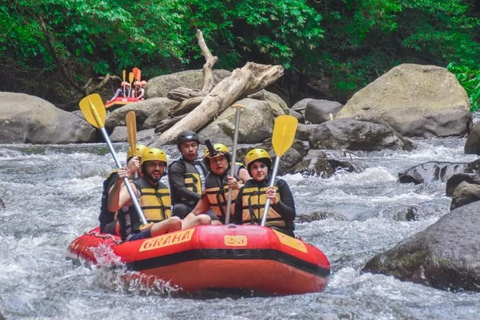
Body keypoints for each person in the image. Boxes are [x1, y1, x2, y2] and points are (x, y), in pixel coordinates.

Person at [108, 147, 210, 241]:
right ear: (143, 167)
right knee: (174, 221)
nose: (157, 168)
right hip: (137, 235)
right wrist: (118, 183)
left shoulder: (163, 188)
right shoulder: (133, 187)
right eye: (152, 164)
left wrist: (204, 197)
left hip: (162, 233)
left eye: (160, 165)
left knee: (203, 219)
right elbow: (112, 207)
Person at [234, 148, 296, 237]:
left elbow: (291, 215)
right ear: (250, 172)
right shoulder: (245, 189)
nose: (259, 170)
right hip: (251, 234)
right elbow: (237, 220)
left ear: (268, 168)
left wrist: (276, 202)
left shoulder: (280, 184)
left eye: (262, 166)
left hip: (278, 233)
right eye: (254, 167)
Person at [186, 143, 251, 225]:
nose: (218, 163)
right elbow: (196, 212)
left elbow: (256, 188)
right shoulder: (210, 183)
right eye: (213, 160)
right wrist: (182, 224)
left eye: (221, 159)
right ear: (209, 164)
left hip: (246, 221)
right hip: (224, 223)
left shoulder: (240, 172)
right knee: (203, 220)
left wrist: (238, 186)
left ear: (227, 160)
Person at [98, 144, 146, 235]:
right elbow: (112, 202)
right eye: (138, 161)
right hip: (112, 225)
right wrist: (129, 171)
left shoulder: (148, 180)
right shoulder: (117, 177)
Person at [168, 131, 209, 219]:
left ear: (197, 147)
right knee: (179, 208)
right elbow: (180, 189)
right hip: (186, 206)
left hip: (203, 205)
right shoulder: (177, 166)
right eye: (186, 146)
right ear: (180, 149)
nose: (190, 149)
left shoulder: (202, 165)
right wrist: (201, 198)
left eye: (193, 145)